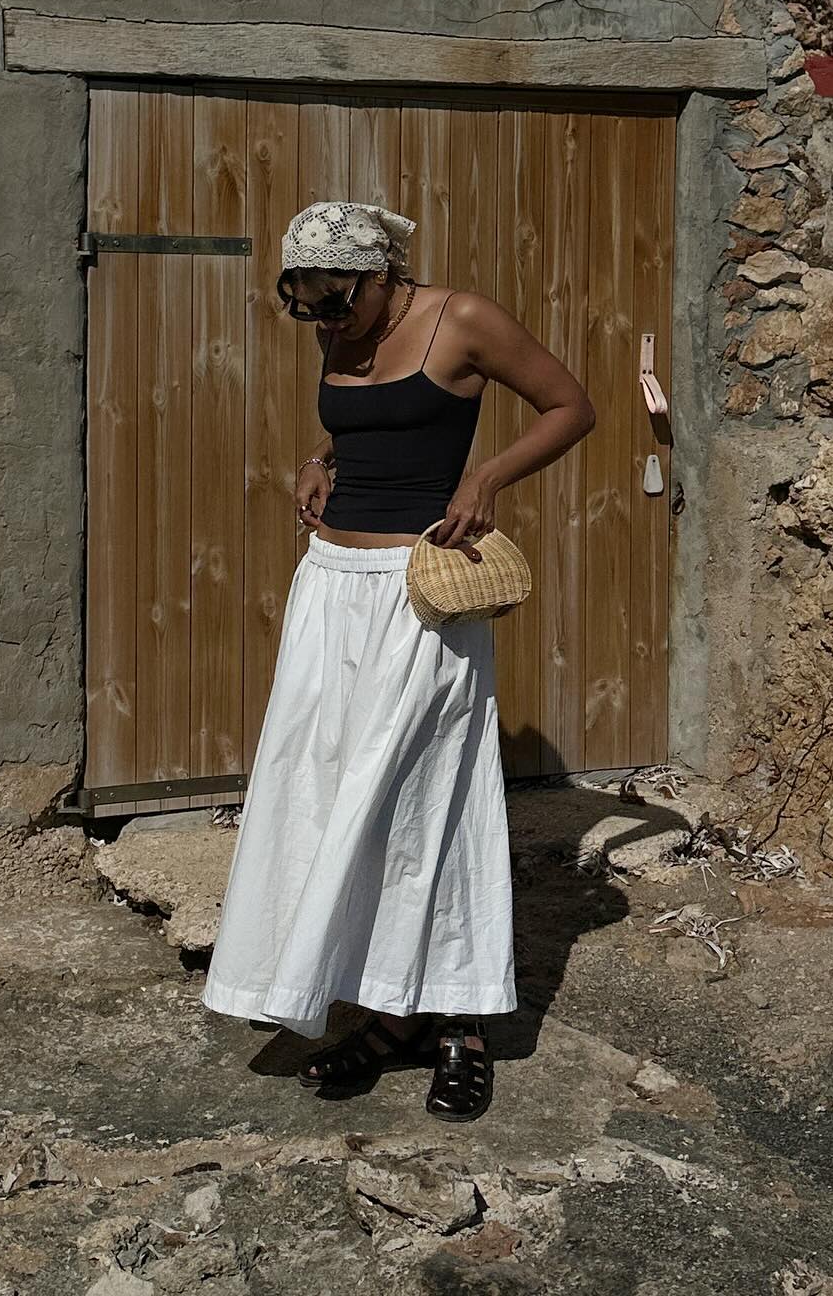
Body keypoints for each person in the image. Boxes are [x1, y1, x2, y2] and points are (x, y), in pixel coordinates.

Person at [201, 199, 595, 1120]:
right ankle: (389, 1010)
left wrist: (488, 476)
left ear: (384, 273)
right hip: (329, 584)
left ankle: (459, 1020)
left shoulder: (463, 320)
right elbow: (368, 420)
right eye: (310, 304)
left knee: (430, 798)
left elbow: (573, 407)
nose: (329, 319)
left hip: (422, 592)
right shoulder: (338, 324)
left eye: (341, 298)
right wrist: (320, 455)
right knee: (337, 791)